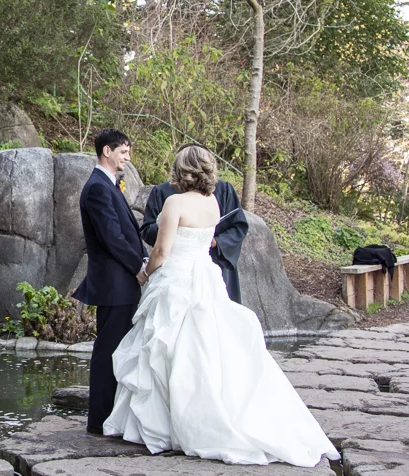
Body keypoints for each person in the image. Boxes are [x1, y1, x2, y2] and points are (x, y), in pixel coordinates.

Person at [104, 146, 339, 466]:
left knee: (164, 348)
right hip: (205, 278)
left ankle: (168, 426)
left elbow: (161, 251)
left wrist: (144, 274)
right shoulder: (213, 202)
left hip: (176, 279)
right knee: (204, 351)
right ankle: (204, 414)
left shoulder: (173, 201)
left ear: (180, 170)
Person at [72, 128, 147, 436]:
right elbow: (112, 238)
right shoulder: (98, 188)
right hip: (114, 283)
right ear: (107, 151)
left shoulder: (109, 185)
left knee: (117, 349)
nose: (127, 159)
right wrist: (139, 266)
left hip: (121, 283)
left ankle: (110, 416)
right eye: (123, 152)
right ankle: (99, 420)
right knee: (108, 351)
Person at [140, 144, 248, 303]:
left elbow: (239, 225)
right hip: (175, 269)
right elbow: (148, 230)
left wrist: (217, 241)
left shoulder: (223, 190)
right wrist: (170, 228)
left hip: (214, 263)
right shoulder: (162, 192)